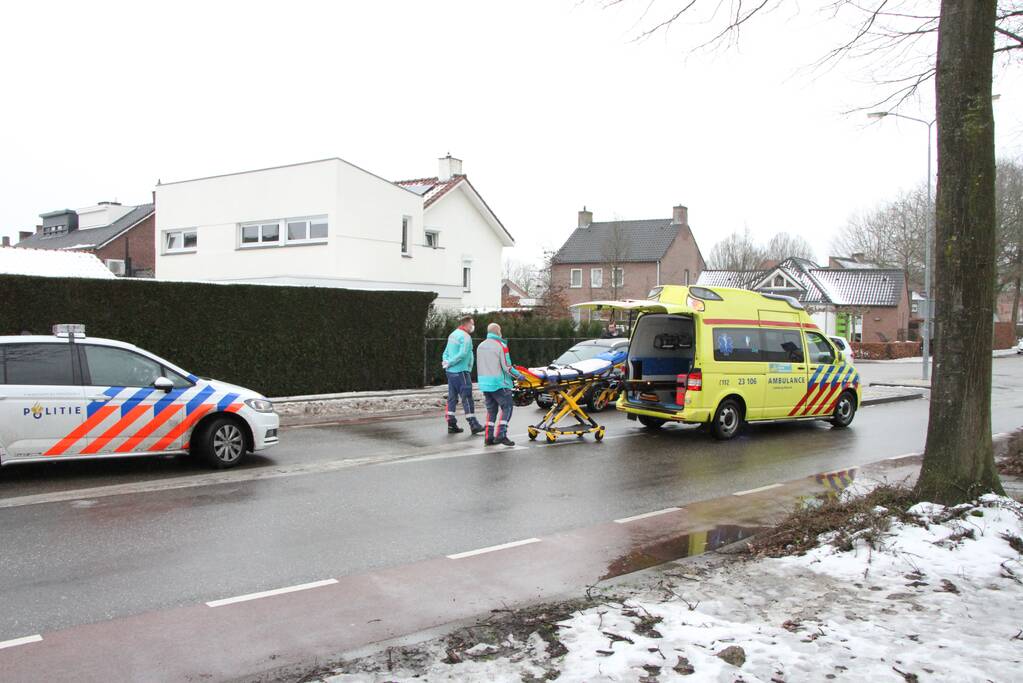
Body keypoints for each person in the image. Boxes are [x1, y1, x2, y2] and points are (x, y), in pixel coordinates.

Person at [476, 323, 522, 446]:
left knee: (491, 411)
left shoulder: (480, 346)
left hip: (485, 383)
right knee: (507, 407)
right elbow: (507, 367)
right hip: (499, 383)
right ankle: (501, 434)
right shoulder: (501, 346)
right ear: (498, 332)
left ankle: (488, 437)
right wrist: (519, 376)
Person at [442, 315, 484, 435]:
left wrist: (446, 362)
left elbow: (446, 352)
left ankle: (451, 423)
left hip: (450, 372)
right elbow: (463, 354)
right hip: (461, 372)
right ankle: (473, 424)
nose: (473, 326)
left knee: (452, 398)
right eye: (472, 324)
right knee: (467, 398)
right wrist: (451, 362)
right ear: (466, 324)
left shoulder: (453, 334)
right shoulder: (465, 337)